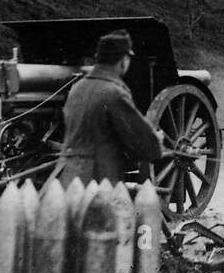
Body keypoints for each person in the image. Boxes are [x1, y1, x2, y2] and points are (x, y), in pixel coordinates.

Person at [54, 30, 164, 186]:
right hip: (100, 177)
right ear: (123, 60)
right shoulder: (115, 92)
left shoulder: (77, 88)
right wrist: (155, 141)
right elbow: (140, 142)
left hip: (68, 178)